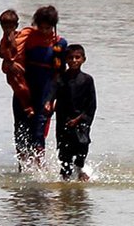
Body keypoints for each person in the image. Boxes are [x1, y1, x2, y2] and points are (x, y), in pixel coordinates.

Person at [12, 6, 68, 168]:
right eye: (41, 27)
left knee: (39, 127)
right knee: (21, 128)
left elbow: (59, 74)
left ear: (53, 26)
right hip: (25, 88)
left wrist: (52, 98)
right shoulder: (27, 37)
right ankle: (23, 166)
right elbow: (13, 53)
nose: (44, 31)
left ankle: (39, 168)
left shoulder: (60, 44)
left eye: (48, 28)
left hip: (46, 89)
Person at [54, 44, 97, 181]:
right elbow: (52, 97)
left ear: (83, 59)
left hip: (81, 121)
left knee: (82, 146)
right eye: (70, 58)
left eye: (77, 57)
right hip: (64, 121)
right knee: (64, 151)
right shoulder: (61, 79)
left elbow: (92, 105)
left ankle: (79, 170)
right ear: (66, 59)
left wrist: (79, 119)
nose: (74, 60)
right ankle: (65, 177)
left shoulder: (87, 80)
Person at [0, 9, 30, 121]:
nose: (7, 29)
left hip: (21, 69)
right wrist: (10, 61)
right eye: (4, 27)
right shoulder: (4, 40)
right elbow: (2, 54)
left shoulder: (21, 36)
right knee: (20, 88)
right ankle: (28, 108)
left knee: (24, 89)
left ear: (16, 26)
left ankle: (28, 106)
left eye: (10, 27)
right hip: (12, 71)